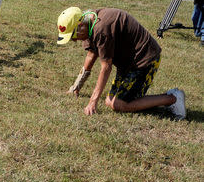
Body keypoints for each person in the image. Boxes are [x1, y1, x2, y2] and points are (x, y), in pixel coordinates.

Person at [56, 7, 186, 119]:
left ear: (80, 26)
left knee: (118, 104)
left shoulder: (101, 29)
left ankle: (173, 99)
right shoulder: (89, 22)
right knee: (109, 101)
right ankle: (167, 98)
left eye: (72, 36)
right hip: (127, 64)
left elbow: (106, 67)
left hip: (144, 61)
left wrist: (92, 102)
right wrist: (76, 87)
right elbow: (91, 55)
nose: (74, 41)